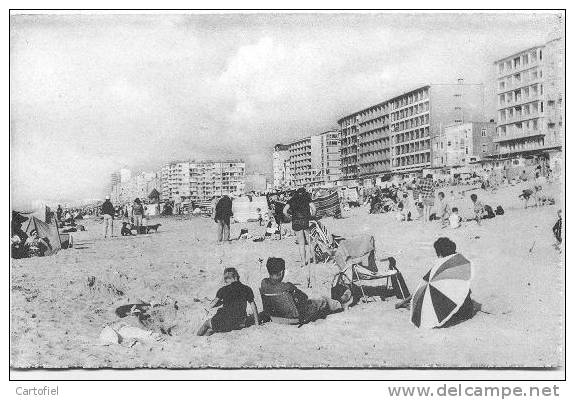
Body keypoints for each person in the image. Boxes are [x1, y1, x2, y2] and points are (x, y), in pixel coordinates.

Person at [260, 257, 350, 323]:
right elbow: (304, 297)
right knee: (323, 301)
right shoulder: (287, 286)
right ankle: (342, 303)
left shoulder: (264, 283)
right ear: (281, 272)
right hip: (296, 316)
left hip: (276, 315)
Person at [197, 267, 259, 336]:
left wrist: (206, 302)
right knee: (210, 330)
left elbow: (212, 305)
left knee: (206, 324)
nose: (225, 282)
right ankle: (202, 339)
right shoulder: (247, 289)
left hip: (225, 321)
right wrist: (257, 324)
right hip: (240, 323)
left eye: (226, 279)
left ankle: (196, 338)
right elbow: (253, 307)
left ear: (233, 278)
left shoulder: (223, 290)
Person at [283, 188, 316, 267]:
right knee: (309, 241)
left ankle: (303, 262)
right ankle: (314, 260)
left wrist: (290, 217)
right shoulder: (307, 198)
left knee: (301, 244)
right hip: (305, 221)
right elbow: (314, 209)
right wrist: (312, 216)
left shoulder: (292, 200)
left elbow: (284, 211)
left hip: (296, 222)